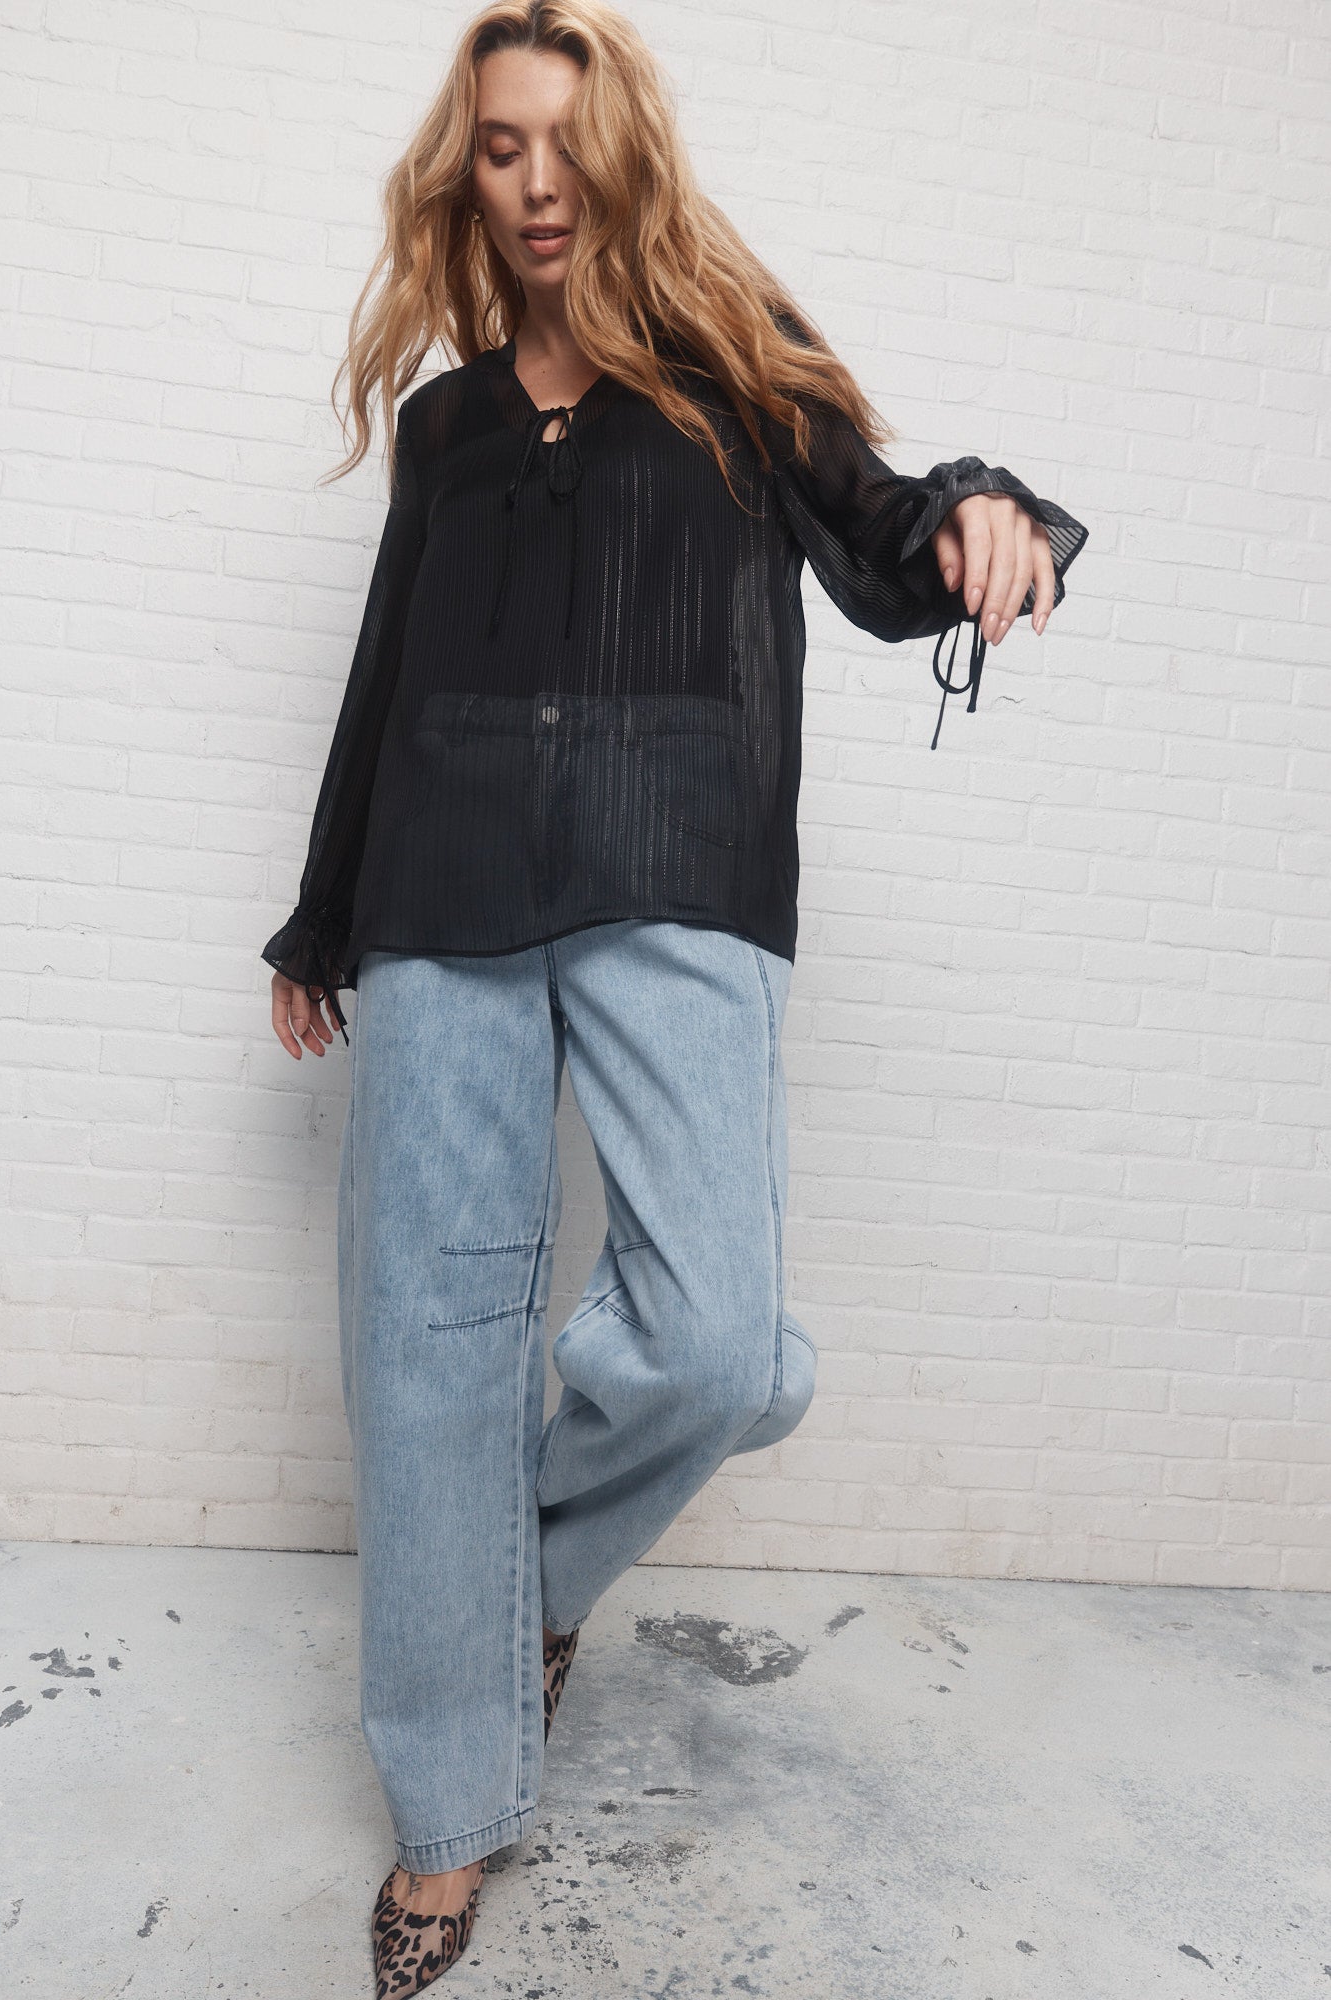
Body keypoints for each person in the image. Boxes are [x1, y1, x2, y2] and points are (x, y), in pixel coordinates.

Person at [259, 3, 1088, 1992]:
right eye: (498, 148)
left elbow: (884, 540)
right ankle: (448, 1820)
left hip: (675, 864)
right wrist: (320, 918)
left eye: (563, 143)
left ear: (622, 151)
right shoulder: (449, 427)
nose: (533, 184)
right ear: (464, 173)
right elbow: (386, 673)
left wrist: (984, 510)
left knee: (720, 1344)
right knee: (426, 1351)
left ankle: (510, 1592)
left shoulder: (733, 367)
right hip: (443, 884)